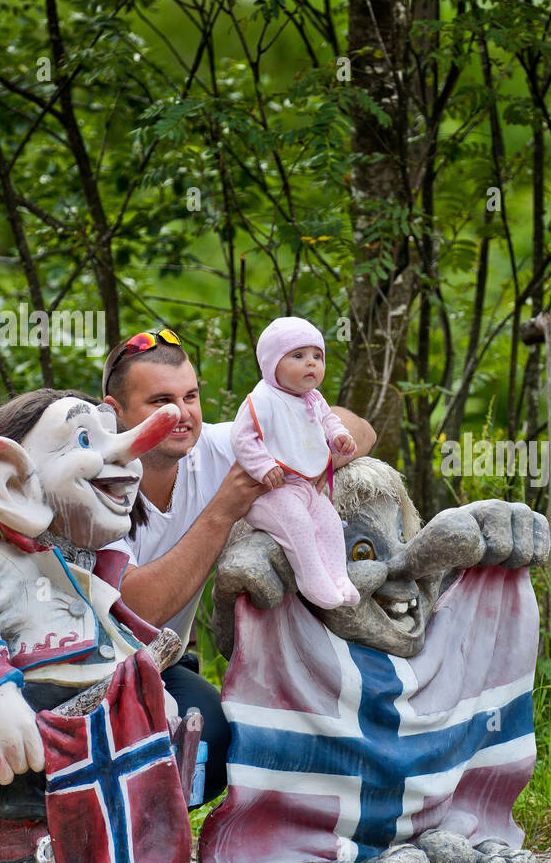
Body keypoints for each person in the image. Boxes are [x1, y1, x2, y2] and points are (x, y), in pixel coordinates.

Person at [100, 327, 376, 801]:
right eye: (160, 401)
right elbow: (136, 609)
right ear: (114, 411)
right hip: (76, 666)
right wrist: (223, 510)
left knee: (218, 738)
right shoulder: (92, 479)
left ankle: (146, 847)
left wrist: (305, 419)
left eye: (191, 396)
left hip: (154, 667)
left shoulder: (218, 447)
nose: (182, 414)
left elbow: (364, 433)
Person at [230, 317, 359, 609]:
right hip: (271, 492)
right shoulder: (263, 399)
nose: (311, 364)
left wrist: (339, 436)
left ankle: (338, 577)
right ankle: (312, 579)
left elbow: (328, 421)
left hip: (305, 487)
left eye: (317, 356)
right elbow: (242, 438)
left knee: (327, 521)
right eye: (298, 356)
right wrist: (263, 466)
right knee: (298, 524)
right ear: (272, 363)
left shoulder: (313, 398)